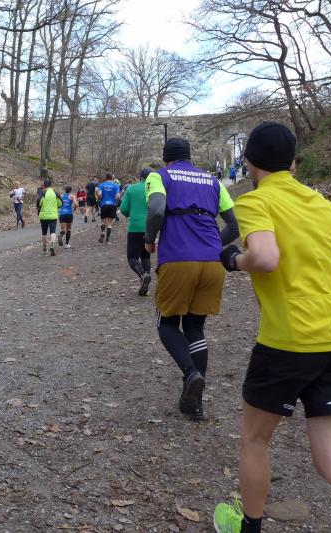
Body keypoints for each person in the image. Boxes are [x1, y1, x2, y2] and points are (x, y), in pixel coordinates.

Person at [212, 122, 331, 533]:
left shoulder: (256, 201)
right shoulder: (322, 204)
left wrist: (234, 260)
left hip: (291, 339)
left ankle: (249, 526)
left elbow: (265, 257)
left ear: (249, 162)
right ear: (293, 163)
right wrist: (313, 259)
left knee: (255, 439)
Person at [144, 138, 239, 420]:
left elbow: (157, 209)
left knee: (166, 323)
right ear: (189, 157)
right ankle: (195, 405)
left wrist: (149, 240)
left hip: (178, 259)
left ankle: (191, 374)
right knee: (195, 327)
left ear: (166, 159)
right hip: (212, 263)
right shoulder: (212, 181)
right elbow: (234, 225)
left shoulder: (159, 176)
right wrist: (213, 245)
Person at [120, 169, 152, 296]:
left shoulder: (132, 189)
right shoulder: (155, 189)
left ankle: (143, 276)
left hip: (135, 227)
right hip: (151, 227)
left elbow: (123, 209)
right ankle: (145, 279)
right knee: (145, 256)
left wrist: (131, 213)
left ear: (140, 177)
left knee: (132, 257)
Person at [37, 179, 62, 256]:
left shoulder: (43, 193)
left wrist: (39, 207)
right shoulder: (55, 193)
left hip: (44, 215)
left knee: (44, 232)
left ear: (44, 185)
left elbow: (39, 202)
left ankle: (44, 248)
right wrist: (56, 206)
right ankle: (52, 245)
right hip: (53, 215)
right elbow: (60, 203)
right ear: (51, 185)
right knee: (53, 231)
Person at [96, 173, 121, 243]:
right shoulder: (116, 185)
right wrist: (116, 201)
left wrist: (100, 198)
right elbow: (118, 196)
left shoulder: (101, 185)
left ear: (106, 177)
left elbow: (99, 194)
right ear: (112, 178)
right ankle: (107, 239)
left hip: (104, 204)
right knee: (109, 224)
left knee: (103, 222)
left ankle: (103, 232)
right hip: (112, 205)